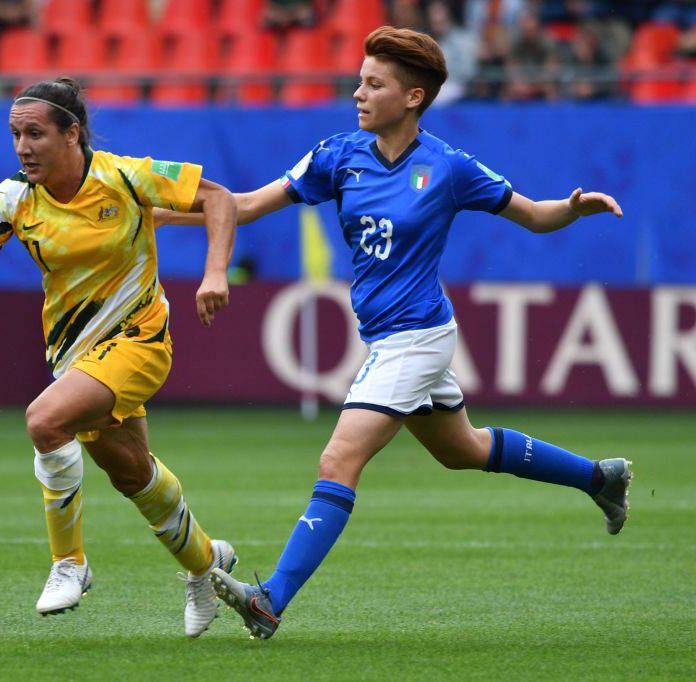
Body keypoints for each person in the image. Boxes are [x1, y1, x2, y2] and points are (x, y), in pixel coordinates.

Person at [159, 26, 630, 640]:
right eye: (360, 79)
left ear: (412, 98)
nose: (358, 92)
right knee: (464, 450)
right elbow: (244, 205)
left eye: (373, 84)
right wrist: (161, 213)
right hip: (387, 338)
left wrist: (572, 207)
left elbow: (534, 215)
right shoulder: (337, 154)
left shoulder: (449, 167)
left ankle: (270, 599)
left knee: (339, 458)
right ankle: (600, 478)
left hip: (419, 336)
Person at [0, 77, 238, 636]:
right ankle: (205, 566)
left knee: (44, 420)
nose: (22, 146)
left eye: (34, 133)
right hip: (74, 355)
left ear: (72, 133)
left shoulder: (125, 176)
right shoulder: (13, 198)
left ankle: (68, 563)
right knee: (133, 476)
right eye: (15, 134)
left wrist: (215, 273)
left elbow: (218, 198)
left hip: (140, 339)